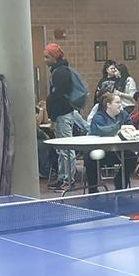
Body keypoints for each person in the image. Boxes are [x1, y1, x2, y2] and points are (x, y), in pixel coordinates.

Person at [45, 43, 89, 191]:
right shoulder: (58, 71)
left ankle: (68, 180)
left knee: (66, 149)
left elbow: (56, 97)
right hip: (62, 114)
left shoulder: (60, 73)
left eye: (47, 57)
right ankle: (62, 177)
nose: (45, 60)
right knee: (61, 149)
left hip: (63, 114)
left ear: (55, 57)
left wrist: (53, 116)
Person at [85, 93, 137, 193]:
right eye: (117, 102)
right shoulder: (98, 117)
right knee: (89, 157)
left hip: (117, 151)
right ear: (108, 105)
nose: (120, 105)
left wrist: (123, 128)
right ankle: (93, 189)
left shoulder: (123, 114)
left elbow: (131, 128)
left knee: (132, 157)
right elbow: (102, 131)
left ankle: (120, 184)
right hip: (101, 151)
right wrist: (120, 127)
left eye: (120, 102)